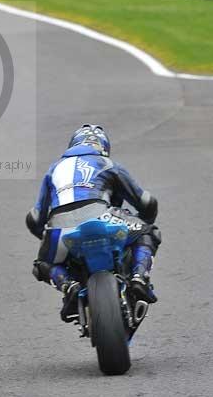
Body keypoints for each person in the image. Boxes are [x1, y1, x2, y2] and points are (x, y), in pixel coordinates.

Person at [26, 124, 161, 321]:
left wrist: (48, 237)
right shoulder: (107, 163)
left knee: (42, 265)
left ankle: (68, 285)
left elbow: (35, 217)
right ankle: (139, 277)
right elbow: (146, 202)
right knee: (149, 233)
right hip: (101, 215)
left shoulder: (53, 170)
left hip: (60, 226)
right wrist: (144, 222)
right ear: (104, 146)